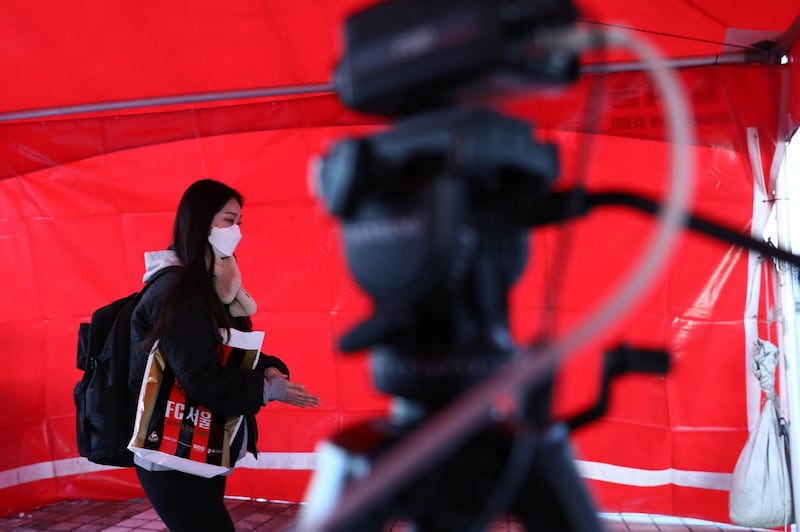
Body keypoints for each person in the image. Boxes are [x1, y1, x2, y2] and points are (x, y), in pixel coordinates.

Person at [128, 178, 321, 532]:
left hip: (202, 447)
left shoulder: (212, 284)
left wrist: (271, 370)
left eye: (239, 223)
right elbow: (202, 376)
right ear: (201, 222)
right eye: (228, 221)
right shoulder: (179, 291)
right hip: (171, 454)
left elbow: (229, 350)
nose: (237, 232)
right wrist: (266, 389)